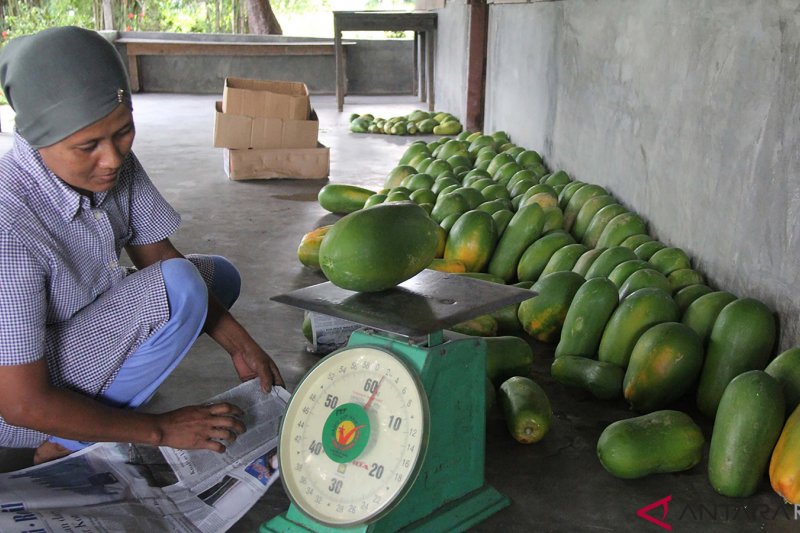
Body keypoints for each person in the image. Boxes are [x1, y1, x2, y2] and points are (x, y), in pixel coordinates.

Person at [0, 26, 284, 465]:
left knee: (217, 277)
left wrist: (238, 343)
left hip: (75, 319)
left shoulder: (111, 165)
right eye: (88, 146)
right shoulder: (9, 225)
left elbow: (159, 254)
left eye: (123, 132)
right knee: (181, 288)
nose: (112, 158)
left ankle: (101, 407)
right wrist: (162, 428)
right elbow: (21, 403)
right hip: (21, 401)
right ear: (36, 140)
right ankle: (63, 442)